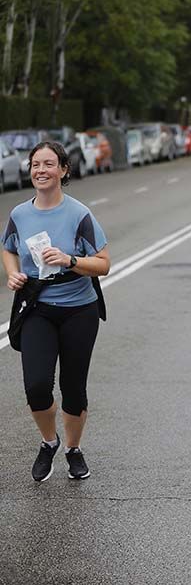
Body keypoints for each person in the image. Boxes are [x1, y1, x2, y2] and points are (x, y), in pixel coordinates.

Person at [3, 141, 110, 482]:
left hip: (79, 310)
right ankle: (49, 441)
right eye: (36, 164)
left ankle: (73, 449)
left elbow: (103, 264)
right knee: (36, 386)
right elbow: (8, 248)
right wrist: (13, 273)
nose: (41, 170)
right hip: (37, 308)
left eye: (49, 164)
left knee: (73, 388)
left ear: (63, 170)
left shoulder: (79, 214)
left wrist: (70, 260)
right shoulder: (20, 214)